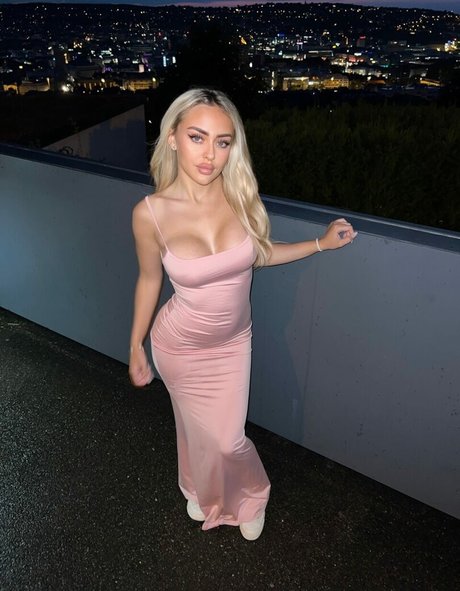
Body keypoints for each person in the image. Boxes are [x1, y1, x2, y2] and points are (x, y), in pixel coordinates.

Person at [128, 88, 357, 541]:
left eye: (223, 141)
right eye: (197, 137)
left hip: (232, 344)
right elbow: (149, 280)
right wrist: (136, 344)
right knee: (192, 426)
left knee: (228, 438)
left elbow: (259, 255)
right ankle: (195, 486)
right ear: (172, 138)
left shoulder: (238, 195)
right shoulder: (149, 214)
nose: (209, 155)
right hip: (177, 345)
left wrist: (319, 243)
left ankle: (252, 497)